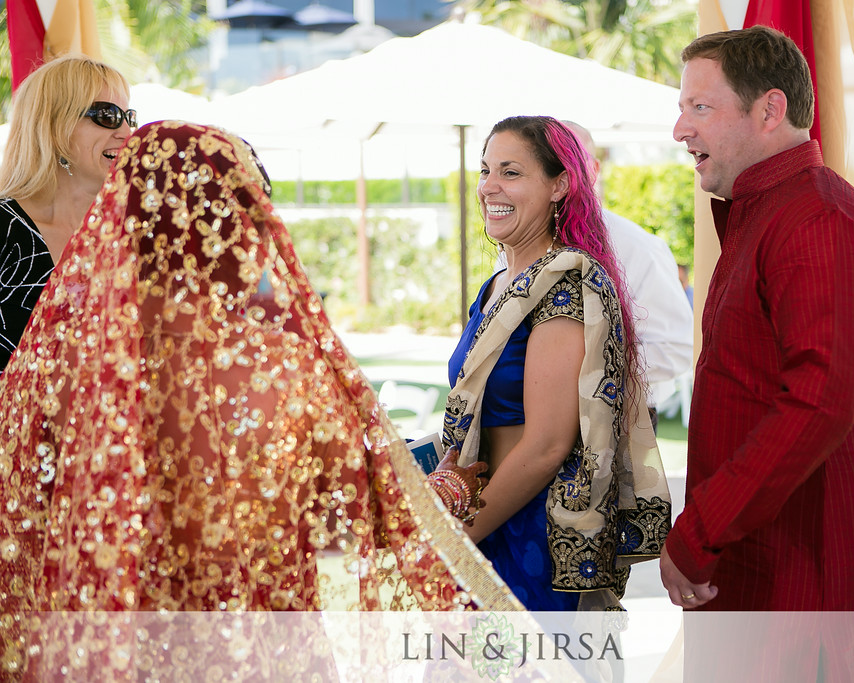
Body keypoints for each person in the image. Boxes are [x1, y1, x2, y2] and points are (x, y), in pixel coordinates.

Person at [0, 121, 519, 680]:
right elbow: (351, 515)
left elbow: (22, 511)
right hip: (254, 651)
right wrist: (451, 486)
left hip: (104, 650)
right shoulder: (277, 367)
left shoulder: (59, 359)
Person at [660, 26, 854, 679]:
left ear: (770, 109)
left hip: (810, 575)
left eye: (700, 107)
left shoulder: (817, 220)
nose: (680, 129)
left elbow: (819, 401)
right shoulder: (767, 212)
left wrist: (701, 529)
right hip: (764, 563)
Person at [446, 115, 671, 611]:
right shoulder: (496, 286)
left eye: (510, 172)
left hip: (528, 533)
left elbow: (547, 446)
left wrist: (455, 539)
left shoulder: (566, 284)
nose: (489, 186)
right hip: (480, 517)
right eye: (485, 170)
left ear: (559, 185)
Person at [0, 54, 134, 374]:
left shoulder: (133, 232)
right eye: (107, 115)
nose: (127, 132)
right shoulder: (5, 228)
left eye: (129, 117)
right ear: (54, 126)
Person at [560, 121, 693, 425]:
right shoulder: (517, 246)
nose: (560, 174)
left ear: (593, 170)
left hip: (620, 421)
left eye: (571, 161)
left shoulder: (638, 248)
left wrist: (585, 376)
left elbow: (674, 347)